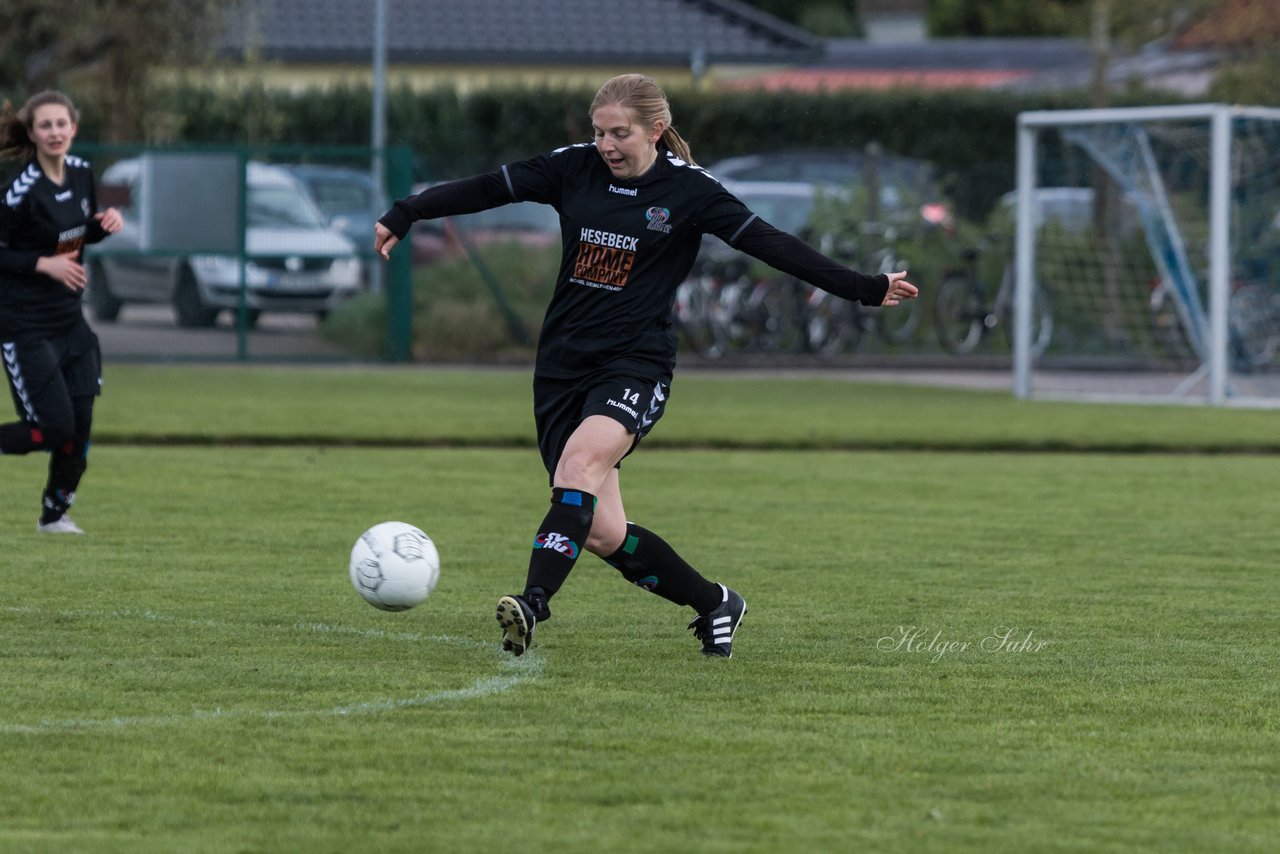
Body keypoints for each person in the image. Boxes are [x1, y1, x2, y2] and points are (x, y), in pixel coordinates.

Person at [374, 73, 917, 659]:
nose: (606, 145)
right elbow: (488, 188)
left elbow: (772, 243)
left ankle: (532, 604)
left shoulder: (691, 192)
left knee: (579, 466)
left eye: (620, 133)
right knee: (605, 533)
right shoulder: (573, 168)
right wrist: (408, 212)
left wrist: (862, 288)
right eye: (599, 132)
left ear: (656, 130)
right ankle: (715, 603)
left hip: (635, 365)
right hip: (562, 368)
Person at [0, 91, 122, 533]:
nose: (55, 132)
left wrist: (100, 227)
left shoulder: (84, 173)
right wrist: (42, 264)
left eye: (61, 123)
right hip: (24, 324)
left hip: (69, 320)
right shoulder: (20, 191)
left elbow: (72, 238)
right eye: (45, 125)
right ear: (32, 134)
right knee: (52, 427)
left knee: (80, 424)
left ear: (73, 127)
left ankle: (54, 514)